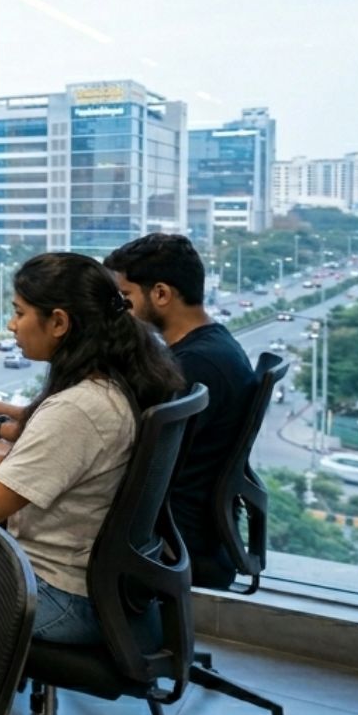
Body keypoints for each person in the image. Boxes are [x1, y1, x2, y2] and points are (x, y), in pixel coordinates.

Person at [0, 252, 183, 643]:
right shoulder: (110, 383)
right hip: (88, 584)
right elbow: (21, 465)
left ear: (59, 322)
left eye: (19, 312)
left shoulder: (78, 408)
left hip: (58, 597)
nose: (11, 325)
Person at [105, 233, 258, 588]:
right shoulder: (213, 347)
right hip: (192, 526)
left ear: (160, 294)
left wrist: (1, 429)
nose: (120, 309)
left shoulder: (195, 366)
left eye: (125, 297)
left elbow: (120, 449)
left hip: (170, 535)